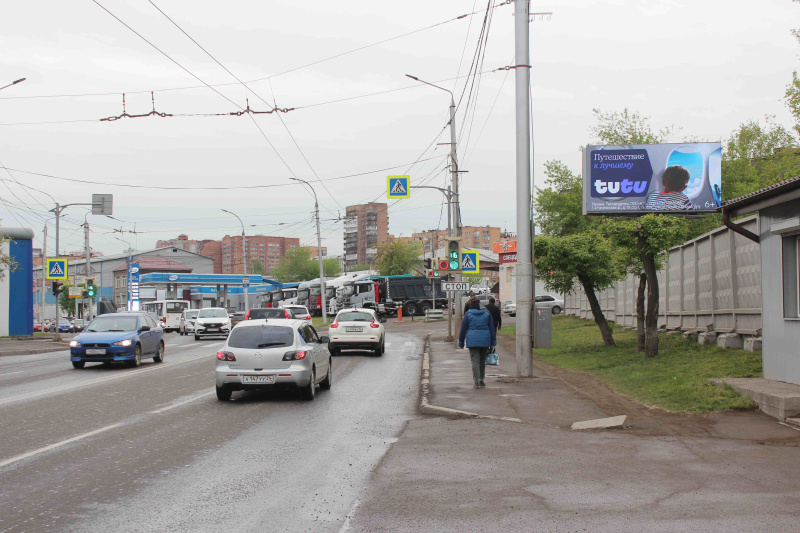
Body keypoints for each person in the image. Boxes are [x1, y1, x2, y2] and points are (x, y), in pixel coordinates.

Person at [458, 299, 497, 389]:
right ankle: (481, 379)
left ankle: (476, 382)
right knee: (482, 360)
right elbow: (492, 328)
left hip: (472, 340)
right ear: (479, 304)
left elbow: (463, 328)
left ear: (471, 305)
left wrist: (461, 342)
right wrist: (493, 341)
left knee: (474, 360)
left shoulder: (468, 314)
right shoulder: (487, 313)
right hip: (485, 339)